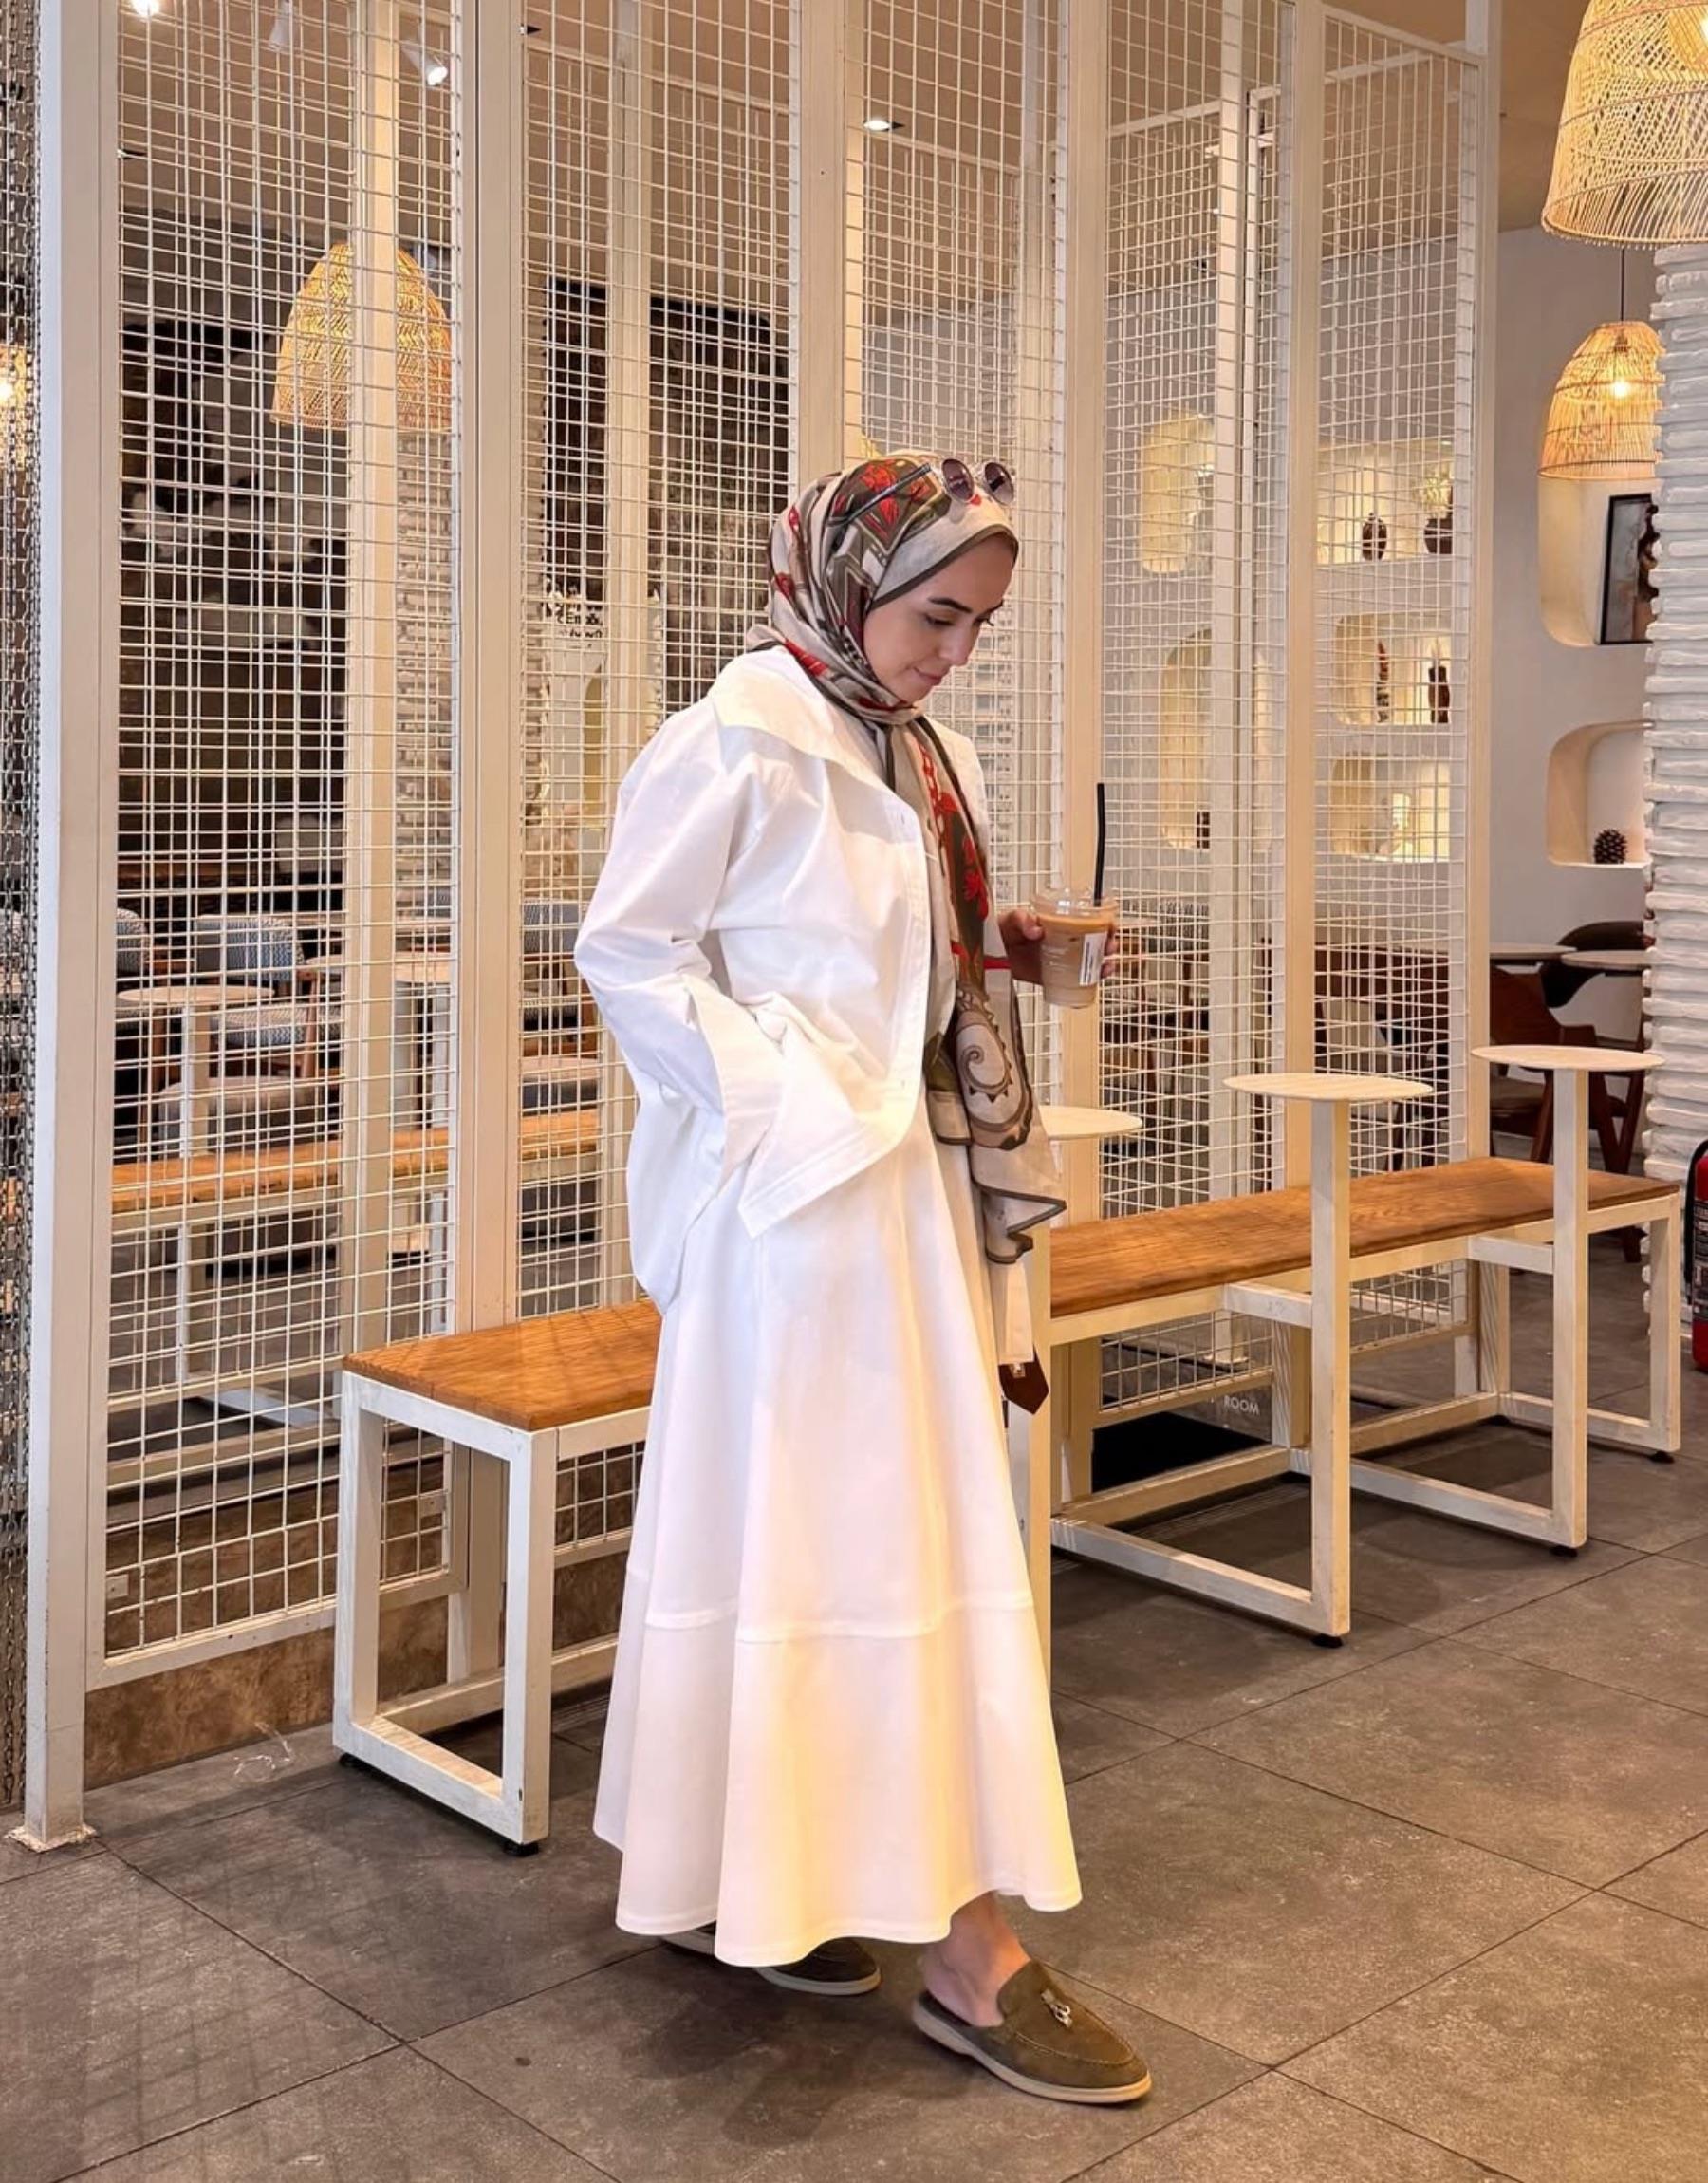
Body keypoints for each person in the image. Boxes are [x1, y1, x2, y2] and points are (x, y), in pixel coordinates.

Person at [574, 451, 1148, 2106]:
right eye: (937, 617)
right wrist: (793, 1107)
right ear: (847, 583)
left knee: (853, 1535)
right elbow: (628, 952)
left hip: (907, 1199)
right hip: (801, 1217)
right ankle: (971, 1954)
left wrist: (1009, 950)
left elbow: (893, 957)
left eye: (978, 628)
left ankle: (765, 1880)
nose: (955, 655)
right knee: (855, 1533)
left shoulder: (915, 748)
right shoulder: (737, 737)